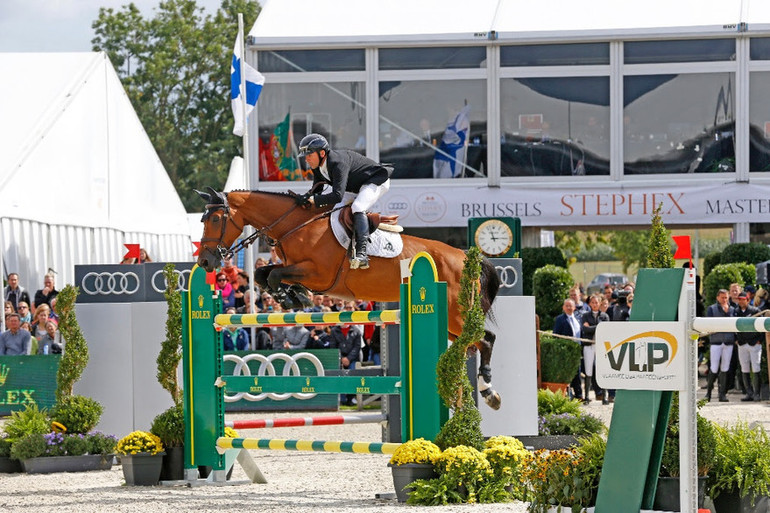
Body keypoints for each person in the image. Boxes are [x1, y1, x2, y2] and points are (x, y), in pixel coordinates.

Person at [296, 133, 393, 270]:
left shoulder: (337, 163)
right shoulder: (317, 166)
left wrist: (313, 199)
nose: (306, 159)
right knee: (333, 214)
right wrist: (305, 198)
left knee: (358, 207)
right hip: (353, 188)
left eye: (309, 155)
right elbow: (317, 190)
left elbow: (337, 196)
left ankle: (361, 253)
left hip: (375, 181)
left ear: (322, 153)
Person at [705, 289, 735, 402]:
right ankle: (708, 393)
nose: (724, 299)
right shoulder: (712, 309)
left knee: (725, 368)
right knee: (714, 367)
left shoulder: (732, 309)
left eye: (726, 297)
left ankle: (722, 394)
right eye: (722, 297)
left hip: (728, 342)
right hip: (716, 341)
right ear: (718, 297)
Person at [581, 295, 610, 405]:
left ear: (600, 303)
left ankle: (605, 396)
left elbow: (605, 329)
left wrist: (591, 327)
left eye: (596, 302)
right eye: (592, 302)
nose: (594, 304)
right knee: (588, 370)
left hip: (601, 346)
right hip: (589, 345)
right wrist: (598, 326)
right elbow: (585, 329)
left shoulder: (605, 316)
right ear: (590, 304)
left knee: (602, 369)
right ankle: (587, 396)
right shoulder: (585, 316)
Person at [733, 292, 762, 402]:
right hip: (742, 344)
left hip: (754, 343)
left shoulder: (755, 311)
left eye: (743, 299)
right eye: (739, 299)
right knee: (744, 369)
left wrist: (760, 340)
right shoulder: (735, 312)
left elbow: (761, 326)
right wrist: (736, 340)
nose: (741, 301)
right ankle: (749, 393)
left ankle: (757, 393)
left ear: (748, 300)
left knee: (756, 368)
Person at [553, 299, 583, 401]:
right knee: (567, 373)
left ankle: (579, 395)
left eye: (571, 306)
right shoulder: (560, 319)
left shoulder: (578, 318)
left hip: (577, 349)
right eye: (567, 306)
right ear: (563, 307)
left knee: (577, 373)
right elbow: (556, 334)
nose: (569, 308)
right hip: (566, 350)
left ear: (574, 307)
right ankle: (567, 394)